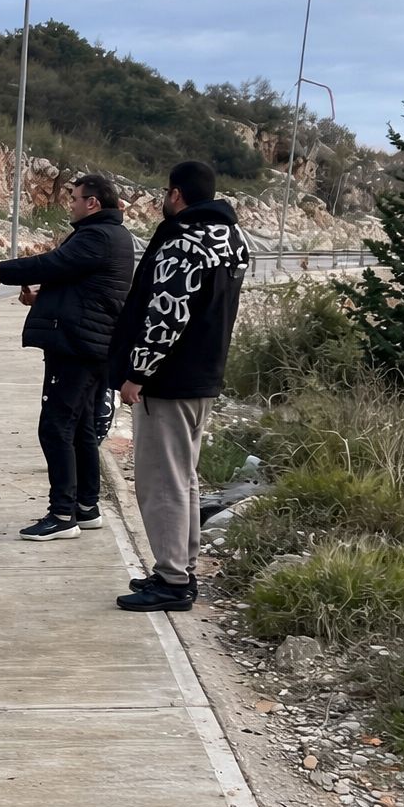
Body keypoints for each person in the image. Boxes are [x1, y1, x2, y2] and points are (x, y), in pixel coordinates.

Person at [108, 160, 250, 613]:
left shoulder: (183, 241)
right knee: (183, 477)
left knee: (160, 482)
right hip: (205, 375)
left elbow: (166, 315)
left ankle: (171, 580)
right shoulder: (233, 239)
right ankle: (181, 569)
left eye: (165, 194)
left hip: (169, 380)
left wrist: (137, 373)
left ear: (176, 194)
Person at [0, 174, 134, 541]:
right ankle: (86, 507)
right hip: (90, 344)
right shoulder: (109, 234)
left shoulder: (97, 236)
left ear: (93, 202)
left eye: (75, 198)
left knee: (55, 426)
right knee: (80, 427)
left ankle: (62, 514)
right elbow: (78, 283)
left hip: (77, 346)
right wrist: (43, 298)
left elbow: (53, 264)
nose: (71, 204)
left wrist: (0, 270)